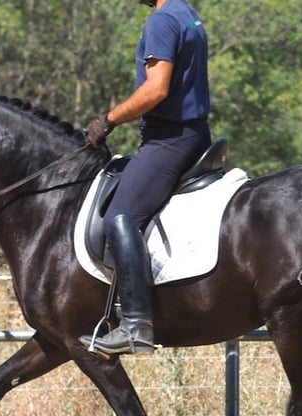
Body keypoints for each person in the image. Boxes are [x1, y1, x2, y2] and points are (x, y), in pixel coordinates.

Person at [80, 0, 212, 356]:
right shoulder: (186, 13)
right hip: (193, 133)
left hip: (169, 140)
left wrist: (108, 120)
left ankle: (136, 325)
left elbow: (156, 90)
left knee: (119, 216)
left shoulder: (162, 21)